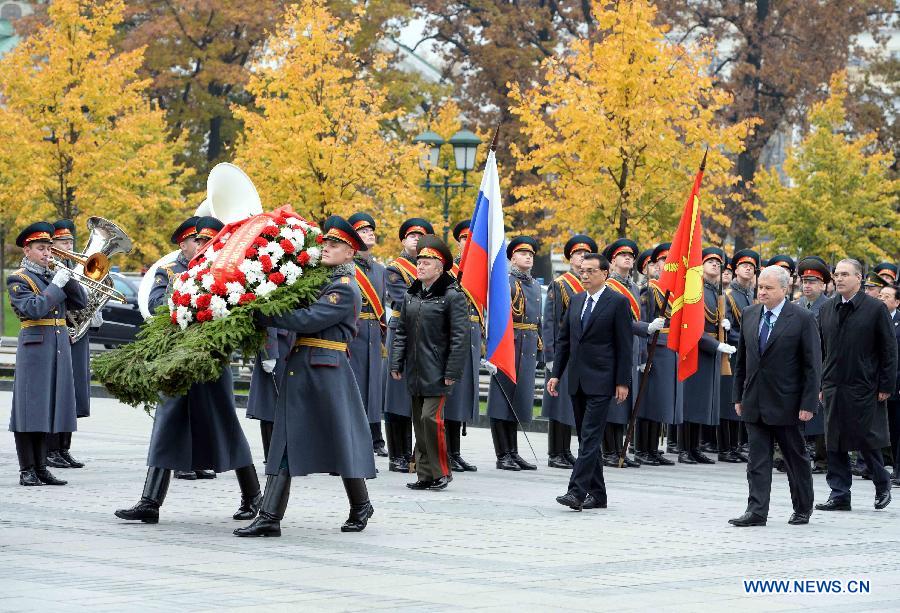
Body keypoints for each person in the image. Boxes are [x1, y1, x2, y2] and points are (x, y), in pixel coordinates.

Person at [235, 216, 377, 536]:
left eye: (335, 245)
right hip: (304, 368)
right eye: (325, 242)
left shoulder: (344, 288)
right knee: (285, 441)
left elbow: (309, 319)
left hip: (327, 372)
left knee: (340, 439)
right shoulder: (319, 281)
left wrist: (263, 310)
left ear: (350, 253)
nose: (327, 247)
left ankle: (360, 504)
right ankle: (270, 516)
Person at [115, 216, 261, 524]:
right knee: (166, 424)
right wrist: (189, 292)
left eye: (211, 240)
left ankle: (253, 497)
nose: (205, 246)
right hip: (176, 359)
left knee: (226, 425)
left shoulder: (224, 272)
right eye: (199, 240)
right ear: (183, 244)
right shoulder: (168, 272)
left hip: (210, 360)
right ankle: (150, 501)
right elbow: (156, 307)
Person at [729, 265, 821, 527]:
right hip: (755, 400)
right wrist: (738, 396)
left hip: (788, 403)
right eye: (760, 287)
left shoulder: (802, 318)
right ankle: (756, 511)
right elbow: (743, 361)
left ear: (784, 288)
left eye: (769, 288)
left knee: (794, 457)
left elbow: (812, 365)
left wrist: (808, 402)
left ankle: (803, 507)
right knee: (757, 459)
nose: (763, 292)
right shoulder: (749, 314)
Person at [547, 253, 633, 511]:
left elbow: (624, 345)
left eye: (590, 271)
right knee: (587, 438)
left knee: (590, 436)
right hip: (577, 380)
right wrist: (555, 374)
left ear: (604, 273)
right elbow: (565, 341)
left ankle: (576, 492)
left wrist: (622, 381)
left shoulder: (617, 302)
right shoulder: (575, 300)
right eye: (582, 270)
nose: (584, 275)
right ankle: (599, 494)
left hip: (603, 380)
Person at [8, 221, 89, 486]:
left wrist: (70, 278)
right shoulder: (19, 278)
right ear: (27, 251)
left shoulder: (50, 275)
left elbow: (80, 303)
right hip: (35, 348)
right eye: (41, 249)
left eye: (49, 249)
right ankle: (26, 469)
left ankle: (42, 467)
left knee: (49, 408)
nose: (47, 254)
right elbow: (34, 308)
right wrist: (56, 284)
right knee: (30, 408)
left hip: (58, 347)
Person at [816, 259, 896, 512]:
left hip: (864, 385)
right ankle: (839, 493)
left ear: (858, 278)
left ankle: (882, 482)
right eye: (836, 274)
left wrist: (886, 384)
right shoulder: (827, 308)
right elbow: (822, 350)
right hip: (833, 385)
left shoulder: (875, 309)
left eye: (845, 274)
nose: (839, 279)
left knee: (866, 439)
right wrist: (821, 383)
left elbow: (888, 350)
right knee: (834, 440)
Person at [390, 235, 469, 490]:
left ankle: (442, 472)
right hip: (415, 370)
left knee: (430, 420)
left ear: (440, 267)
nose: (420, 266)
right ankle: (425, 474)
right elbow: (401, 331)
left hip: (438, 370)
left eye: (427, 262)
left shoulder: (452, 295)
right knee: (419, 422)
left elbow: (460, 337)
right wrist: (396, 363)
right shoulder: (411, 294)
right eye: (419, 261)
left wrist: (452, 371)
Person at [44, 219, 101, 469]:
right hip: (58, 335)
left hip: (77, 335)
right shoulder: (47, 267)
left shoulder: (74, 268)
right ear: (52, 244)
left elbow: (83, 301)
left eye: (70, 241)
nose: (69, 246)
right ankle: (50, 449)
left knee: (74, 394)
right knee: (58, 393)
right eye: (64, 242)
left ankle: (64, 448)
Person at [541, 234, 597, 469]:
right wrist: (551, 356)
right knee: (559, 403)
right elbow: (551, 323)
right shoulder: (561, 284)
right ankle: (556, 452)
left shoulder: (590, 286)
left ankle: (565, 450)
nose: (581, 258)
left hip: (581, 354)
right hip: (563, 353)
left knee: (571, 402)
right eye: (577, 254)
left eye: (585, 255)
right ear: (570, 258)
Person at [487, 236, 542, 471]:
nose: (528, 256)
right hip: (508, 344)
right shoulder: (505, 282)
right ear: (512, 258)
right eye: (522, 253)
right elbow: (497, 317)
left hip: (527, 346)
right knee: (502, 400)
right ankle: (502, 454)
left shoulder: (535, 285)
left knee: (517, 401)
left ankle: (513, 452)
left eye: (530, 253)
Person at [383, 218, 434, 472]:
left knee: (419, 394)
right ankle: (397, 455)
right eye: (411, 236)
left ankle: (418, 454)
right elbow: (404, 300)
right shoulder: (395, 269)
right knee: (397, 395)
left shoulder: (436, 269)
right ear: (403, 240)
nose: (415, 239)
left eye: (420, 236)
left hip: (426, 336)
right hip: (401, 332)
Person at [679, 248, 737, 464]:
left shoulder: (715, 291)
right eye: (710, 261)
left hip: (711, 349)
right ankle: (685, 448)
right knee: (690, 401)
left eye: (718, 262)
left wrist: (725, 327)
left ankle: (694, 447)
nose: (715, 265)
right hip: (696, 348)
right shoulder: (695, 289)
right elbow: (692, 327)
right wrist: (715, 345)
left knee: (703, 400)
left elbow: (716, 320)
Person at [600, 238, 652, 467]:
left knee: (626, 402)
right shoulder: (608, 286)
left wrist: (640, 355)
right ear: (612, 261)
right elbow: (620, 322)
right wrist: (645, 329)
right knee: (612, 401)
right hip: (613, 349)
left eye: (631, 255)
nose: (628, 258)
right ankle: (608, 450)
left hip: (630, 348)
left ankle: (620, 449)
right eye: (623, 255)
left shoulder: (633, 287)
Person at [347, 212, 389, 458]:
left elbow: (382, 304)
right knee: (356, 386)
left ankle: (375, 437)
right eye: (363, 231)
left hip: (374, 333)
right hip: (355, 332)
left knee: (374, 387)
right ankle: (354, 436)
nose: (369, 233)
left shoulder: (380, 270)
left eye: (371, 230)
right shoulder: (348, 268)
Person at [636, 242, 678, 466]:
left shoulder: (672, 290)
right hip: (654, 346)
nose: (666, 265)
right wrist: (642, 356)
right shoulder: (650, 288)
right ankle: (643, 448)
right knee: (648, 399)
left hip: (668, 346)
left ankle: (653, 447)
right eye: (663, 261)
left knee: (660, 400)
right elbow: (643, 324)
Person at [444, 220, 480, 472]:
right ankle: (447, 450)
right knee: (452, 395)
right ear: (458, 241)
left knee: (464, 394)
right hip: (454, 335)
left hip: (473, 335)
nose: (469, 243)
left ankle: (455, 452)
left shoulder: (480, 271)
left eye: (473, 239)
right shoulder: (449, 270)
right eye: (465, 238)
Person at [719, 249, 759, 463]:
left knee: (740, 399)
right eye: (744, 265)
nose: (748, 269)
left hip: (745, 351)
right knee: (729, 400)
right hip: (733, 351)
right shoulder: (730, 295)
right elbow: (727, 327)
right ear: (735, 269)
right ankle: (726, 447)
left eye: (752, 267)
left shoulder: (748, 295)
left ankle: (736, 445)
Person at [794, 256, 831, 473]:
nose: (807, 286)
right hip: (796, 368)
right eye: (804, 281)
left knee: (820, 417)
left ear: (823, 284)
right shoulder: (795, 305)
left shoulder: (829, 307)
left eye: (812, 282)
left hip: (821, 366)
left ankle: (822, 459)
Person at [247, 326, 293, 465]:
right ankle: (274, 457)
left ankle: (286, 455)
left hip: (292, 344)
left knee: (287, 404)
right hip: (279, 346)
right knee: (270, 405)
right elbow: (267, 319)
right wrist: (269, 352)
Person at [877, 285, 900, 487]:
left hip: (897, 383)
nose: (882, 299)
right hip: (880, 384)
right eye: (881, 295)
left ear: (897, 301)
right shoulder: (876, 317)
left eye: (887, 296)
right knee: (888, 428)